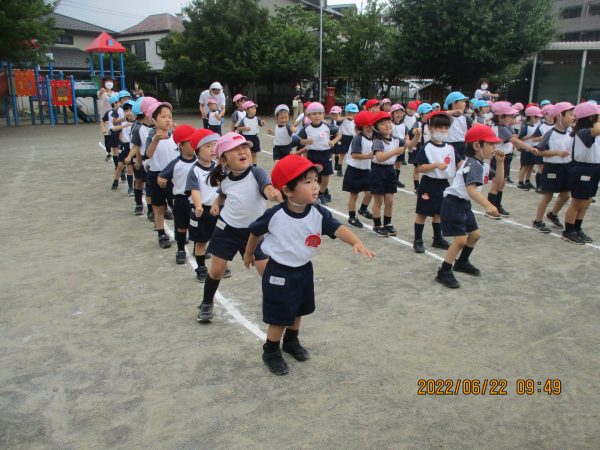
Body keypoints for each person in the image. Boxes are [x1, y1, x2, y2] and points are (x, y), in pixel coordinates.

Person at [244, 155, 375, 375]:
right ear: (287, 190)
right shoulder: (275, 215)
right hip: (279, 271)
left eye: (316, 180)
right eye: (307, 182)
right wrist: (249, 254)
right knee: (279, 315)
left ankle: (291, 342)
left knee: (298, 309)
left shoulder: (317, 212)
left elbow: (335, 227)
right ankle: (271, 350)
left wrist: (356, 241)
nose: (315, 186)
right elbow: (255, 231)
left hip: (304, 269)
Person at [198, 132, 282, 323]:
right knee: (217, 271)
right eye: (235, 149)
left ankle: (276, 306)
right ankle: (206, 303)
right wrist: (216, 203)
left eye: (244, 147)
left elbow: (266, 186)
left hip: (254, 233)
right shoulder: (225, 179)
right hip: (226, 230)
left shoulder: (256, 172)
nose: (243, 151)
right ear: (224, 159)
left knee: (266, 271)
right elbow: (223, 193)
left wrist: (272, 193)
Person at [435, 125, 501, 289]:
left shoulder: (482, 165)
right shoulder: (473, 164)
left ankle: (462, 262)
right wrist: (488, 205)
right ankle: (444, 271)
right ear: (477, 146)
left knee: (475, 235)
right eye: (491, 144)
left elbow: (499, 183)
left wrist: (500, 163)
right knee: (460, 240)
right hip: (453, 203)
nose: (494, 147)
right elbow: (471, 190)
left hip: (463, 204)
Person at [413, 111, 462, 253]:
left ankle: (437, 238)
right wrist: (435, 165)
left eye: (446, 128)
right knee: (422, 213)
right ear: (431, 128)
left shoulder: (450, 148)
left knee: (439, 213)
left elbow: (460, 163)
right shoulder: (427, 148)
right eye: (439, 127)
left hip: (444, 184)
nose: (443, 131)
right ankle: (418, 239)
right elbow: (419, 168)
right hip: (428, 183)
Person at [158, 125, 200, 264]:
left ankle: (198, 248)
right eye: (190, 142)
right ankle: (181, 249)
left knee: (197, 226)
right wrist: (161, 181)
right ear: (181, 145)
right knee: (181, 226)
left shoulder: (200, 161)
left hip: (197, 200)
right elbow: (162, 175)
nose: (194, 144)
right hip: (181, 199)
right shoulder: (176, 163)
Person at [531, 102, 575, 234]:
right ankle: (537, 221)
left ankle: (552, 214)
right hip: (552, 168)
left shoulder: (569, 132)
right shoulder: (550, 133)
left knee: (566, 195)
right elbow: (539, 151)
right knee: (547, 196)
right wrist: (557, 153)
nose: (573, 117)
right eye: (570, 114)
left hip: (566, 168)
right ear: (560, 115)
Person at [488, 101, 538, 217]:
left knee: (502, 183)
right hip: (498, 158)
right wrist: (530, 148)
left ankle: (497, 205)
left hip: (507, 157)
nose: (512, 118)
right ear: (501, 117)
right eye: (510, 116)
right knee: (497, 183)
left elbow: (515, 137)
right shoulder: (499, 127)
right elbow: (514, 140)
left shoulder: (506, 126)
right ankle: (491, 207)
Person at [185, 129, 222, 281]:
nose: (212, 149)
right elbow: (195, 190)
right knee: (201, 241)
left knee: (218, 240)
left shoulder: (218, 167)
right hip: (202, 210)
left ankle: (217, 267)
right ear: (197, 150)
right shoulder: (195, 170)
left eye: (214, 145)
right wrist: (198, 205)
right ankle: (201, 267)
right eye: (207, 146)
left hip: (218, 209)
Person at [563, 102, 600, 244]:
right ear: (591, 118)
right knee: (577, 201)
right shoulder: (583, 131)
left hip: (593, 168)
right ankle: (569, 230)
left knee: (587, 200)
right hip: (582, 168)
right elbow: (597, 130)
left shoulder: (590, 129)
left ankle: (577, 228)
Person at [145, 101, 179, 249]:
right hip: (155, 175)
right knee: (158, 207)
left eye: (169, 117)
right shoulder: (151, 135)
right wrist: (156, 140)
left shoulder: (175, 136)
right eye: (163, 116)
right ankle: (161, 234)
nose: (167, 120)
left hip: (173, 176)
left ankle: (180, 232)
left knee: (176, 207)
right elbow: (148, 154)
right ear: (153, 119)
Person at [369, 111, 406, 237]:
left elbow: (409, 145)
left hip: (390, 170)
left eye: (389, 122)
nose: (387, 125)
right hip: (378, 171)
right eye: (382, 124)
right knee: (378, 200)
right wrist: (395, 152)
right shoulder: (378, 141)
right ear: (376, 127)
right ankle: (377, 225)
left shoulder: (396, 139)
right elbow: (379, 157)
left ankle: (388, 223)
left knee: (389, 201)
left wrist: (417, 136)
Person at [298, 102, 342, 205]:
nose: (317, 116)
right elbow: (299, 140)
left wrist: (333, 142)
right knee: (313, 177)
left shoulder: (328, 127)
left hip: (326, 154)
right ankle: (316, 195)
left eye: (320, 113)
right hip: (312, 155)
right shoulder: (306, 128)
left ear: (323, 114)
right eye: (314, 114)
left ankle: (321, 193)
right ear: (309, 116)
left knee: (326, 178)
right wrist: (306, 142)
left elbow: (339, 135)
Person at [343, 110, 375, 228]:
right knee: (354, 195)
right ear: (362, 127)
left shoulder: (372, 137)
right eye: (368, 126)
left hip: (366, 170)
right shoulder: (358, 138)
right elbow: (354, 155)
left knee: (370, 192)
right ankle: (352, 217)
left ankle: (363, 209)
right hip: (354, 171)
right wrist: (368, 156)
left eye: (371, 125)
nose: (370, 128)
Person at [125, 97, 150, 216]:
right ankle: (139, 203)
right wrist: (137, 160)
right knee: (139, 181)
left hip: (150, 159)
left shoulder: (151, 126)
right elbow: (136, 146)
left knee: (149, 184)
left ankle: (152, 207)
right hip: (138, 158)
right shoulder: (137, 127)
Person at [516, 106, 543, 191]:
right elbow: (520, 138)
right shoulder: (525, 125)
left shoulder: (535, 125)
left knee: (531, 166)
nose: (538, 119)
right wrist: (531, 137)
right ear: (531, 116)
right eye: (537, 117)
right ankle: (520, 182)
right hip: (526, 149)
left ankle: (527, 181)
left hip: (533, 148)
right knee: (524, 166)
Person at [444, 91, 473, 160]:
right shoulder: (446, 116)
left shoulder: (465, 117)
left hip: (462, 146)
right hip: (448, 145)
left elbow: (476, 126)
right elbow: (438, 114)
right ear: (454, 103)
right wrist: (455, 111)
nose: (465, 104)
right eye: (462, 101)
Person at [236, 100, 265, 166]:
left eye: (255, 108)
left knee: (254, 153)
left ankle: (254, 166)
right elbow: (237, 128)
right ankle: (248, 165)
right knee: (247, 153)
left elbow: (261, 123)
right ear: (247, 110)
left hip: (255, 138)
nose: (254, 110)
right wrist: (244, 128)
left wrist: (262, 123)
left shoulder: (257, 118)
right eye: (252, 108)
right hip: (246, 138)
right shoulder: (244, 120)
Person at [334, 103, 358, 177]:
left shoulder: (356, 120)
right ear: (347, 112)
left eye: (355, 113)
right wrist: (346, 117)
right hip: (343, 138)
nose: (354, 114)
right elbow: (338, 119)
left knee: (351, 154)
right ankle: (339, 169)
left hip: (352, 138)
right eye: (352, 112)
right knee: (342, 154)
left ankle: (351, 169)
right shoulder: (343, 120)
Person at [97, 77, 116, 161]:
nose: (109, 83)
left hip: (114, 116)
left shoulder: (116, 93)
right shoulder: (102, 93)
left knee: (115, 134)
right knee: (106, 135)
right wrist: (102, 91)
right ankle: (109, 153)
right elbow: (99, 94)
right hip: (104, 117)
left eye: (110, 82)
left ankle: (116, 151)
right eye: (107, 82)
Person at [390, 104, 408, 187]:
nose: (399, 114)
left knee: (398, 164)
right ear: (392, 113)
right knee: (391, 163)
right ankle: (391, 179)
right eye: (397, 112)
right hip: (392, 146)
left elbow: (406, 134)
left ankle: (396, 179)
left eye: (401, 112)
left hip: (401, 146)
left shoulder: (403, 124)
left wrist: (407, 142)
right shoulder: (390, 124)